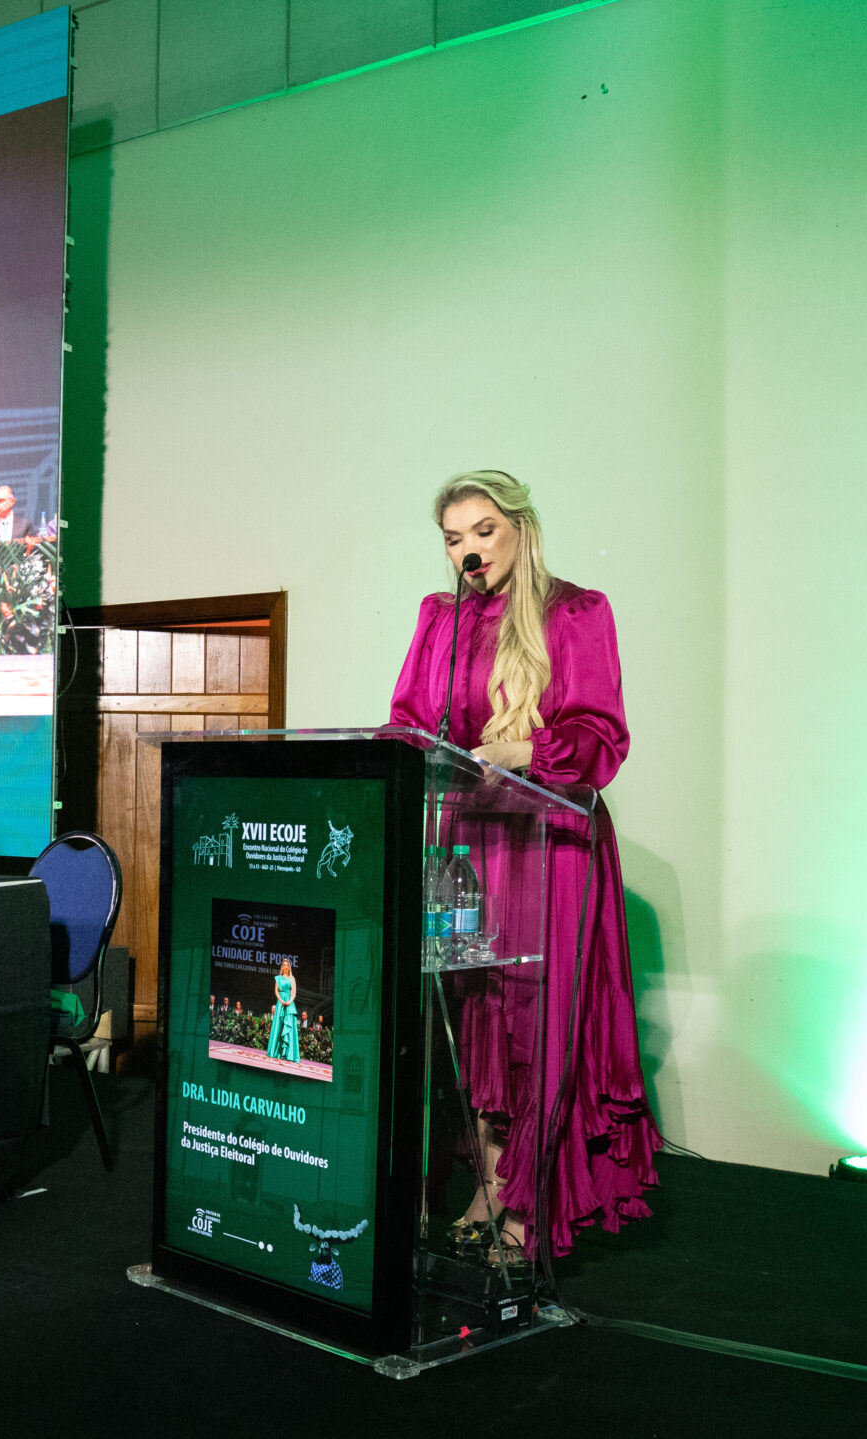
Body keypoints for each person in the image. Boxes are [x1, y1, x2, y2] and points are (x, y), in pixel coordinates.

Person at [387, 468, 657, 1260]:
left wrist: (525, 750)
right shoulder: (441, 619)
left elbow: (602, 738)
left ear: (520, 527)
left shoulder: (576, 611)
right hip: (465, 841)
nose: (468, 550)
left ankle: (530, 1203)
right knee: (472, 1016)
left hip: (550, 849)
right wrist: (403, 754)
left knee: (537, 1020)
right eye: (453, 538)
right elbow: (407, 721)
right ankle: (486, 1180)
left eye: (483, 531)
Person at [266, 960, 301, 1062]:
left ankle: (289, 1054)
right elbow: (276, 991)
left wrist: (290, 1001)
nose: (285, 967)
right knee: (278, 1026)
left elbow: (293, 992)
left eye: (287, 965)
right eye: (284, 965)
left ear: (289, 967)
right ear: (282, 967)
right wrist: (281, 1000)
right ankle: (275, 1052)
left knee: (289, 1027)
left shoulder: (292, 979)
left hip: (289, 1004)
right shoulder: (278, 978)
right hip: (280, 1003)